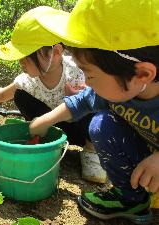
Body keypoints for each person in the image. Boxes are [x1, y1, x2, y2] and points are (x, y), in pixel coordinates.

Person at [29, 2, 159, 224]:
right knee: (102, 124)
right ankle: (131, 199)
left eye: (91, 76)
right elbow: (82, 102)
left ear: (142, 74)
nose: (86, 83)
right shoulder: (114, 90)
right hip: (145, 167)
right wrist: (45, 120)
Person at [0, 6, 106, 183]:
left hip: (81, 129)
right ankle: (47, 141)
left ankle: (91, 151)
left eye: (26, 56)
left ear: (55, 53)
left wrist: (83, 94)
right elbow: (2, 95)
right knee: (20, 95)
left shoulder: (77, 71)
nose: (21, 62)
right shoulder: (28, 81)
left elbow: (104, 97)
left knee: (92, 97)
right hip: (53, 128)